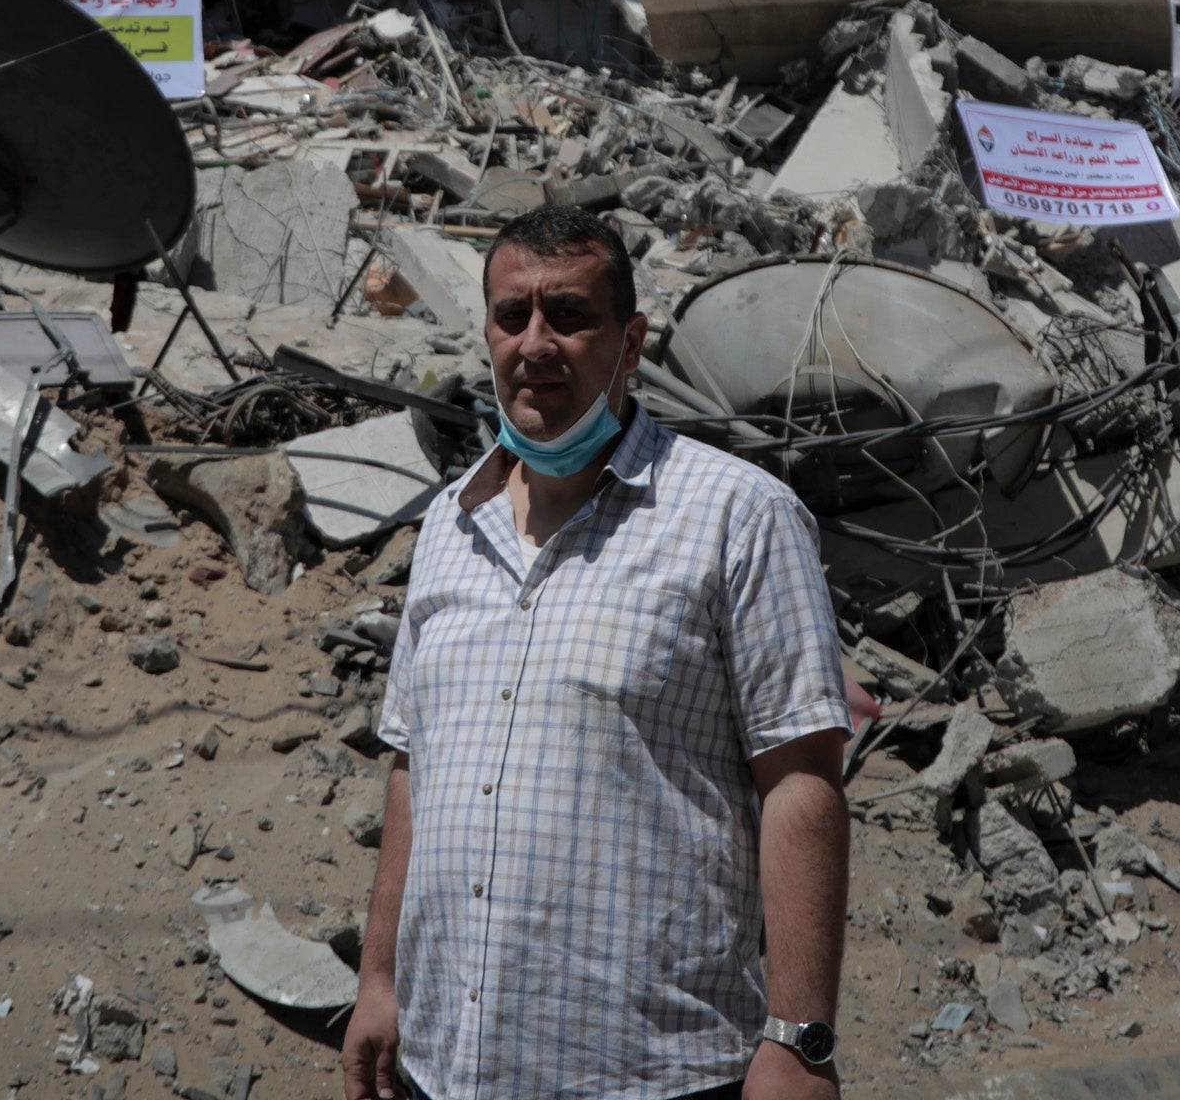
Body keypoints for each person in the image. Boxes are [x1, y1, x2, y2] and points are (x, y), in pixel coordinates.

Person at [343, 205, 851, 1100]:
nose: (535, 343)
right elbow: (411, 768)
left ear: (632, 343)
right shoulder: (447, 524)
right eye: (512, 317)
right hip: (444, 1062)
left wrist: (799, 1040)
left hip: (647, 1074)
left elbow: (800, 780)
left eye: (569, 316)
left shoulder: (737, 517)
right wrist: (379, 981)